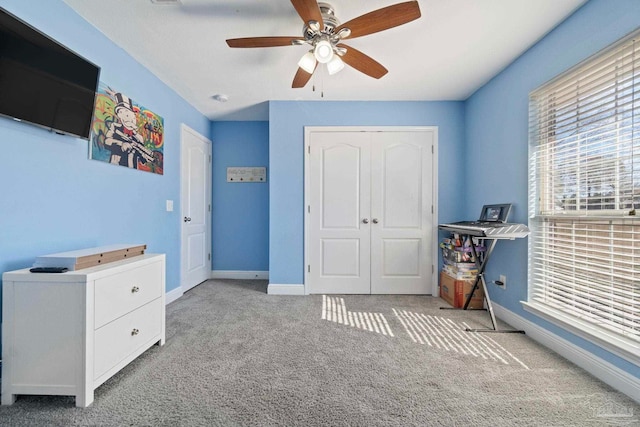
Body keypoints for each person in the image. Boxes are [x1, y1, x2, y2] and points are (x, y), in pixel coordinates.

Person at [104, 92, 153, 169]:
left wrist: (145, 157)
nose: (124, 115)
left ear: (133, 115)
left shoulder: (139, 137)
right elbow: (107, 141)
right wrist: (122, 144)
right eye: (120, 112)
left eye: (126, 111)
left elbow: (141, 158)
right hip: (115, 166)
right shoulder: (115, 126)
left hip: (132, 169)